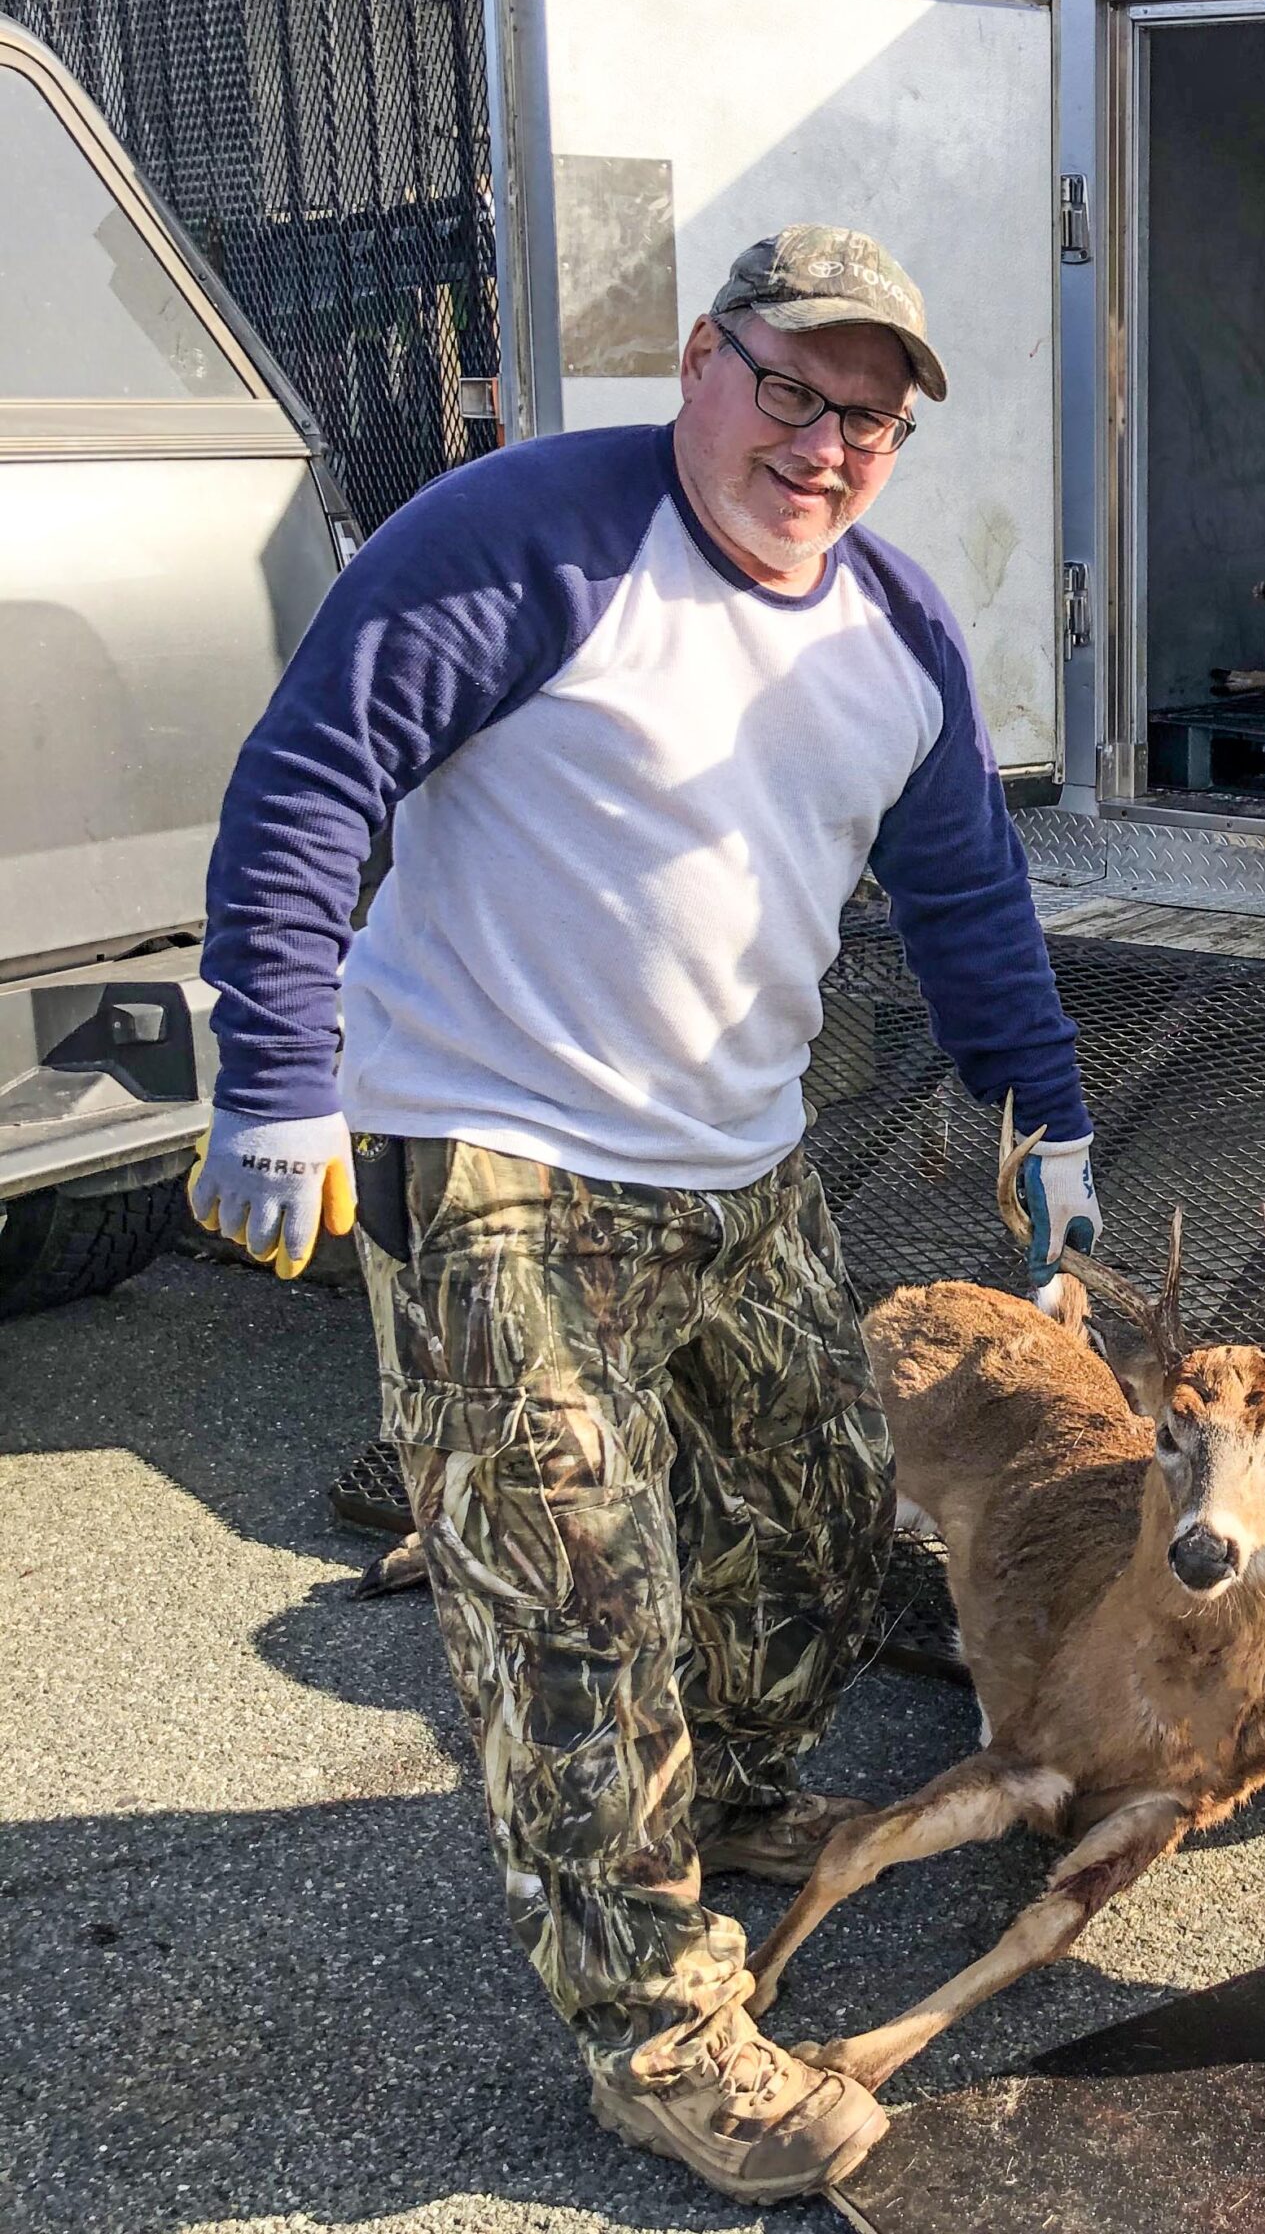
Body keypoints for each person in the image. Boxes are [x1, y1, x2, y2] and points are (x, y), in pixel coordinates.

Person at [191, 227, 1101, 2199]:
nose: (823, 440)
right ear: (703, 357)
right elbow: (310, 778)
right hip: (490, 1152)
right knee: (580, 1607)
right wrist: (271, 1069)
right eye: (788, 386)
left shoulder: (895, 630)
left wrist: (1047, 1112)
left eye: (868, 412)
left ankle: (735, 1790)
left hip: (735, 1158)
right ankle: (660, 2028)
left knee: (804, 1532)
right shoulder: (525, 539)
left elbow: (965, 896)